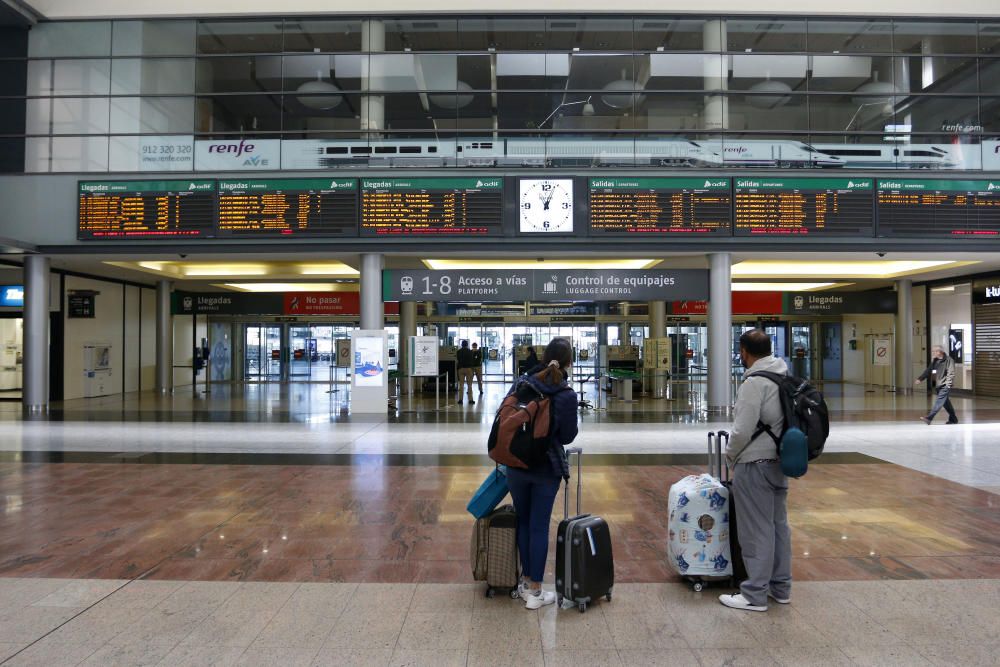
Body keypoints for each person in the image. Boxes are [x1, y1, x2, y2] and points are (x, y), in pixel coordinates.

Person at [719, 329, 792, 613]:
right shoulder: (783, 376)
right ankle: (781, 588)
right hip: (779, 462)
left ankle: (754, 594)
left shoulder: (754, 382)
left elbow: (742, 429)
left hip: (754, 464)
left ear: (744, 351)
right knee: (778, 527)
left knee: (755, 530)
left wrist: (730, 456)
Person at [506, 338, 578, 610]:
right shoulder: (566, 394)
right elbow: (568, 436)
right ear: (569, 361)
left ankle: (525, 582)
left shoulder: (522, 382)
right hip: (546, 468)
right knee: (538, 525)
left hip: (516, 465)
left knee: (523, 522)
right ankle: (536, 590)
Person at [917, 345, 958, 425]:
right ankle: (953, 419)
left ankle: (929, 418)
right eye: (933, 351)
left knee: (939, 402)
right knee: (946, 404)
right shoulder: (935, 361)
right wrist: (920, 379)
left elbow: (951, 373)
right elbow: (929, 371)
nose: (933, 353)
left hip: (945, 385)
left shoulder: (949, 360)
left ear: (940, 352)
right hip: (937, 385)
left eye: (935, 351)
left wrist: (948, 384)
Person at [456, 340, 475, 405]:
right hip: (469, 369)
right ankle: (470, 400)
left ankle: (460, 400)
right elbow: (472, 360)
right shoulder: (470, 352)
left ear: (462, 345)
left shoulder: (458, 352)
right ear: (467, 345)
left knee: (461, 385)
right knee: (469, 385)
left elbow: (458, 359)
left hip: (461, 369)